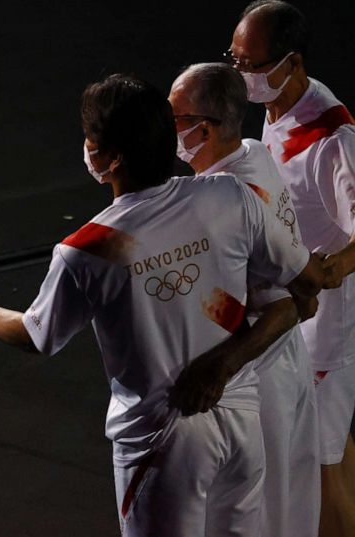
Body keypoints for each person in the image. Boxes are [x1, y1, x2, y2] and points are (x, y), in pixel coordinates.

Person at [0, 74, 322, 536]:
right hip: (239, 425)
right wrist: (224, 364)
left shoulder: (88, 248)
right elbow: (304, 289)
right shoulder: (229, 197)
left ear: (109, 158)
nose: (86, 147)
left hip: (161, 441)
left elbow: (35, 336)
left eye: (90, 139)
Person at [169, 62, 320, 536]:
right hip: (290, 363)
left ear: (204, 128)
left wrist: (218, 368)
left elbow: (290, 305)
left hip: (262, 373)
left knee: (265, 514)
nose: (164, 127)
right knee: (293, 504)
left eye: (174, 117)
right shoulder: (254, 152)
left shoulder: (223, 197)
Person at [228, 0, 355, 536]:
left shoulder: (332, 138)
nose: (244, 76)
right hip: (292, 322)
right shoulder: (277, 106)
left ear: (292, 62)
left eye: (252, 66)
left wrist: (326, 274)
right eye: (235, 61)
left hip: (325, 332)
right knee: (335, 449)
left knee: (319, 470)